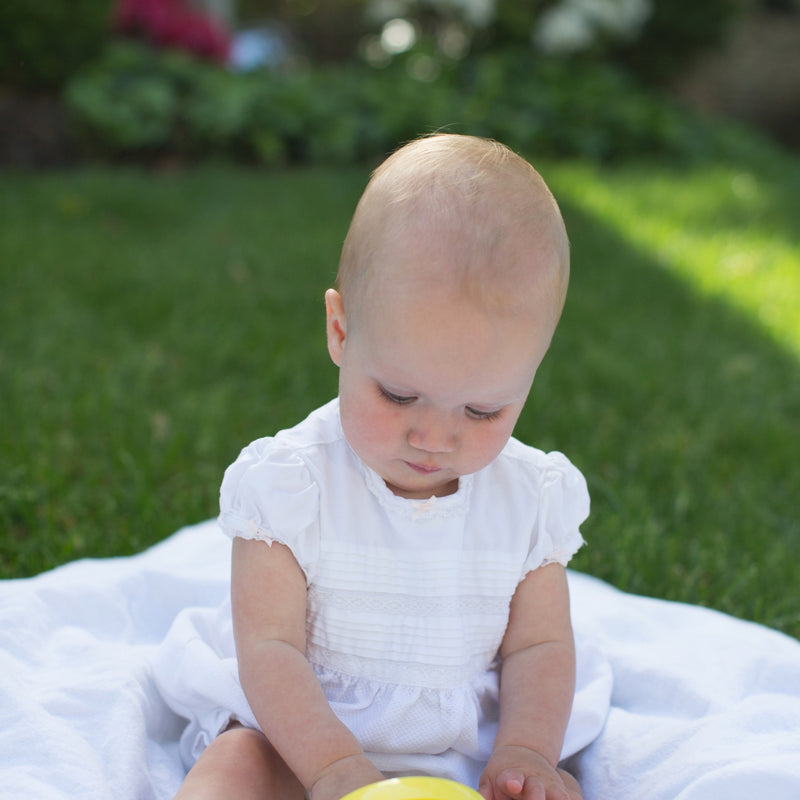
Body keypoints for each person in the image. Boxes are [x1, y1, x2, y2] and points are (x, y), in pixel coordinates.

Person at [155, 133, 599, 800]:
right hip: (303, 740)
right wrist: (336, 769)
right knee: (234, 767)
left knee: (554, 787)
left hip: (464, 749)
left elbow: (538, 648)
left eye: (482, 410)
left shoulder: (529, 500)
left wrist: (527, 751)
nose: (434, 437)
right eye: (397, 395)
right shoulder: (293, 486)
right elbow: (269, 648)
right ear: (340, 332)